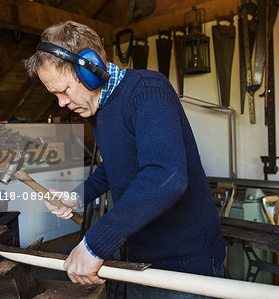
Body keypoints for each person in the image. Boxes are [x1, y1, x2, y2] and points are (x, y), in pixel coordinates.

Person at [24, 20, 225, 298]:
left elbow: (165, 175)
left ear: (90, 70)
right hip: (139, 258)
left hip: (186, 262)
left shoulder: (147, 90)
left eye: (64, 91)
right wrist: (78, 196)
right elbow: (116, 166)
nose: (61, 103)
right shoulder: (99, 110)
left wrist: (94, 243)